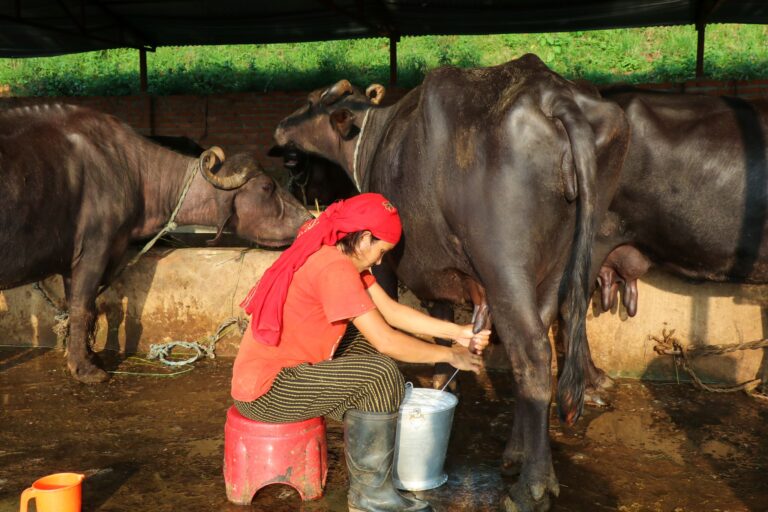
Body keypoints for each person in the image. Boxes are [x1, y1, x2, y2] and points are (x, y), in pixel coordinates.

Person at [232, 192, 491, 512]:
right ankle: (371, 496)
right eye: (381, 252)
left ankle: (365, 450)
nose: (381, 261)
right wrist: (451, 356)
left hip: (288, 371)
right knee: (380, 374)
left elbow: (391, 312)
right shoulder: (333, 269)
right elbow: (388, 340)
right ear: (365, 238)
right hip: (268, 392)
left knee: (362, 341)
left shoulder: (338, 256)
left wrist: (459, 333)